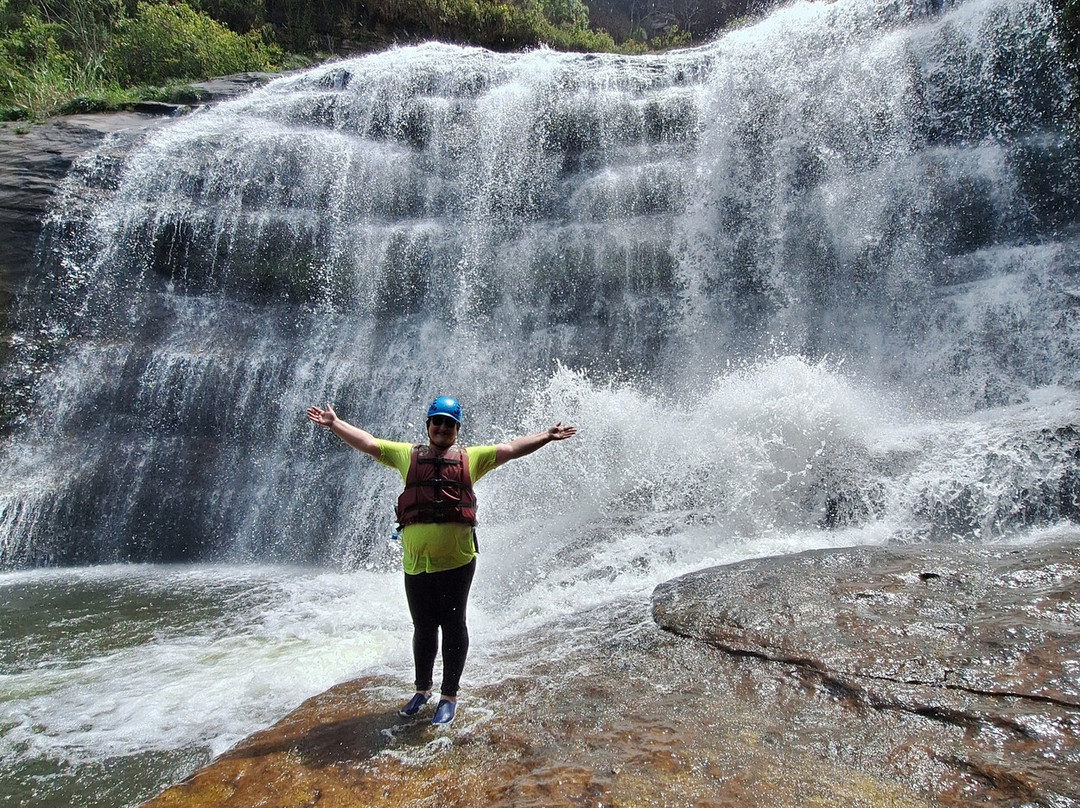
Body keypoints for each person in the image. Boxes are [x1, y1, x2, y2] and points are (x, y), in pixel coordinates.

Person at [306, 395, 576, 726]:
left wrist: (545, 436)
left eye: (450, 423)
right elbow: (368, 443)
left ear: (457, 429)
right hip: (416, 563)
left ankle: (449, 696)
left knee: (453, 625)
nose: (443, 428)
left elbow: (510, 448)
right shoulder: (407, 455)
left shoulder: (471, 459)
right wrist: (336, 424)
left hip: (457, 562)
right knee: (423, 628)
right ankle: (422, 690)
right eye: (438, 422)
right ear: (428, 425)